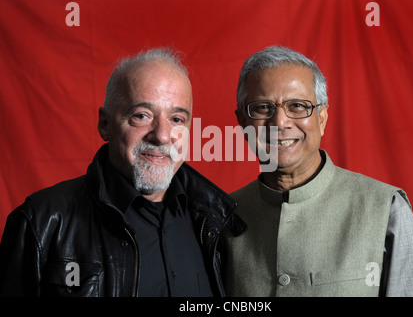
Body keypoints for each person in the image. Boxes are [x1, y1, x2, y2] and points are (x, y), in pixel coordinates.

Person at [0, 47, 244, 297]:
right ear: (105, 124)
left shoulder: (215, 223)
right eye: (142, 115)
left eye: (177, 119)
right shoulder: (41, 222)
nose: (161, 135)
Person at [222, 46, 413, 297]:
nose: (279, 122)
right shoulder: (222, 216)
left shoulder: (387, 210)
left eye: (298, 106)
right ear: (242, 122)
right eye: (262, 108)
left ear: (322, 118)